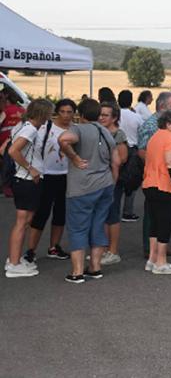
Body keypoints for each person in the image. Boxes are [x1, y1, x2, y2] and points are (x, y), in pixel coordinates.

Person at [58, 98, 120, 283]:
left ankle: (77, 271)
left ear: (81, 114)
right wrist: (112, 183)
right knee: (98, 224)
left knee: (78, 227)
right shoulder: (106, 132)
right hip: (105, 185)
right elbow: (116, 162)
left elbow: (63, 139)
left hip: (81, 187)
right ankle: (95, 267)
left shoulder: (78, 129)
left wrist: (74, 157)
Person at [4, 99, 53, 278]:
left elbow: (7, 147)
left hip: (22, 180)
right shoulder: (30, 129)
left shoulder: (21, 125)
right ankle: (14, 263)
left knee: (23, 222)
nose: (50, 117)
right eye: (49, 113)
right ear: (42, 114)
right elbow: (12, 151)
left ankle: (14, 259)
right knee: (22, 222)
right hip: (26, 180)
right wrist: (30, 168)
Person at [25, 99, 76, 264]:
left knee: (60, 214)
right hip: (46, 175)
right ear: (57, 112)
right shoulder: (46, 127)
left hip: (66, 175)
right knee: (41, 213)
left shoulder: (76, 130)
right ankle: (31, 250)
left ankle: (54, 247)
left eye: (70, 112)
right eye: (63, 111)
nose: (66, 116)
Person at [142, 109, 171, 275]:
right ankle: (161, 262)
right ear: (169, 124)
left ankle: (153, 259)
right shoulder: (170, 138)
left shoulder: (155, 137)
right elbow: (170, 162)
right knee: (165, 223)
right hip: (164, 185)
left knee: (155, 223)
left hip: (150, 184)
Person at [138, 91, 171, 258]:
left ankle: (162, 246)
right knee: (153, 214)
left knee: (163, 215)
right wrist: (156, 164)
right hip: (156, 177)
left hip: (166, 176)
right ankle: (150, 249)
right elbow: (142, 150)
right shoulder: (150, 125)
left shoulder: (169, 125)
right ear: (162, 107)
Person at [99, 101, 129, 265]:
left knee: (112, 214)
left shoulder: (118, 134)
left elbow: (122, 158)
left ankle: (113, 250)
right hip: (99, 179)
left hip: (113, 179)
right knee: (102, 215)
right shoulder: (98, 131)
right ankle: (102, 249)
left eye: (105, 115)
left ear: (114, 117)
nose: (101, 117)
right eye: (100, 114)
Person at [116, 89, 143, 222]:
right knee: (131, 182)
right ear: (131, 101)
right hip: (132, 149)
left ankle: (114, 209)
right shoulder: (136, 116)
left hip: (116, 148)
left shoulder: (115, 115)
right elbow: (142, 133)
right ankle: (128, 211)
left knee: (117, 181)